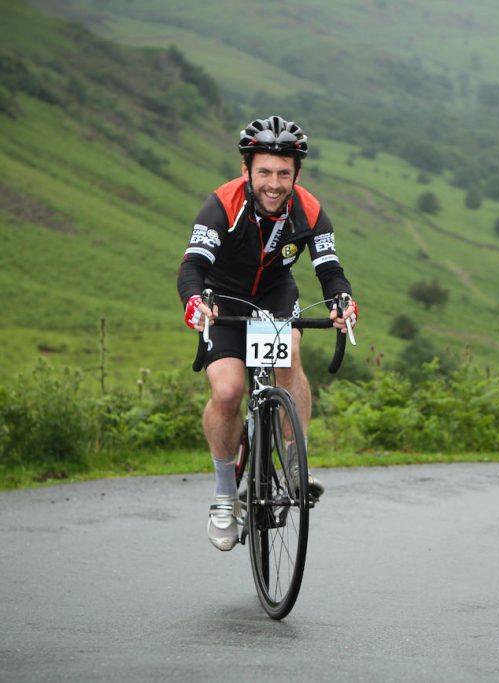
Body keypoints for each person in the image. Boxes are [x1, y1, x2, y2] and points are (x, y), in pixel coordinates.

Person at [177, 115, 358, 551]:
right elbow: (193, 267)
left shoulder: (309, 210)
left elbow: (330, 271)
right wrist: (196, 301)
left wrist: (342, 301)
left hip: (276, 297)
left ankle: (296, 462)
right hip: (223, 300)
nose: (274, 184)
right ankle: (225, 496)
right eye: (264, 172)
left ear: (296, 174)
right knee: (227, 392)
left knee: (288, 355)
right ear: (246, 171)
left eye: (283, 173)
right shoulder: (221, 205)